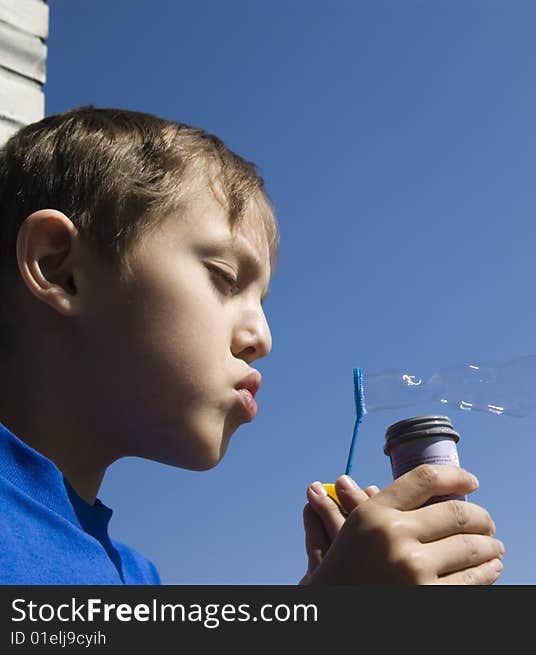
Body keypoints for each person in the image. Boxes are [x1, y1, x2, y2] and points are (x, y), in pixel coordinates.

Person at [0, 106, 505, 585]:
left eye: (261, 301)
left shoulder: (136, 577)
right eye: (224, 277)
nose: (261, 338)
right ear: (60, 269)